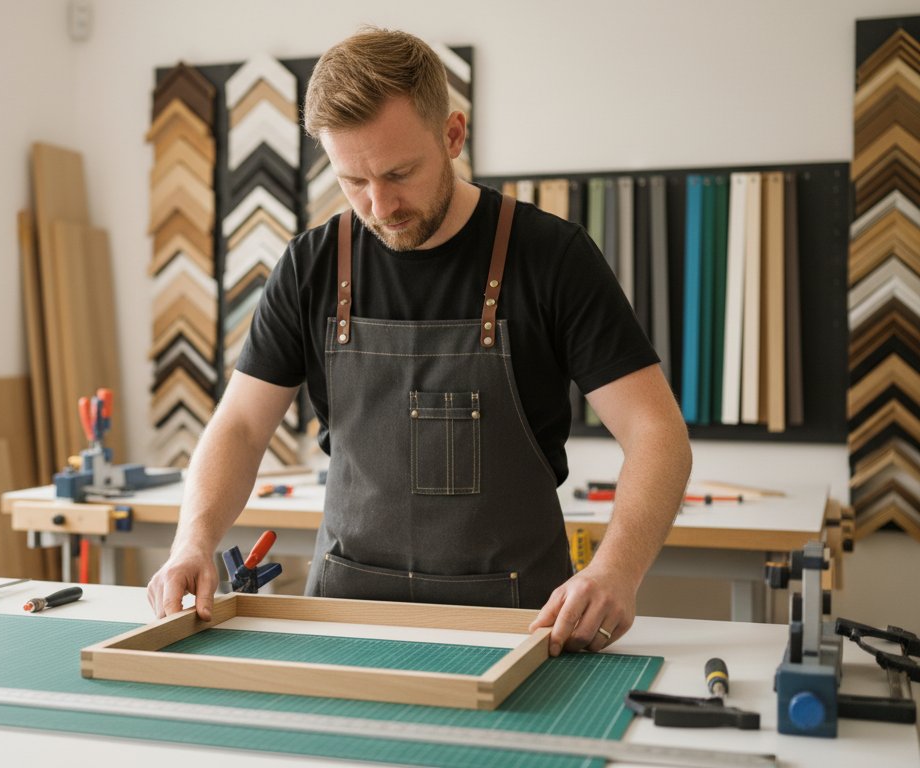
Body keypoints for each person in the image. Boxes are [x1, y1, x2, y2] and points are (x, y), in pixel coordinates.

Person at [146, 27, 691, 656]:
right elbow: (240, 425)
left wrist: (616, 570)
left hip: (521, 623)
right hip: (346, 618)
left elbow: (658, 436)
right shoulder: (312, 265)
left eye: (400, 172)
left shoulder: (553, 258)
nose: (380, 206)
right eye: (353, 180)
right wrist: (193, 539)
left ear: (453, 135)